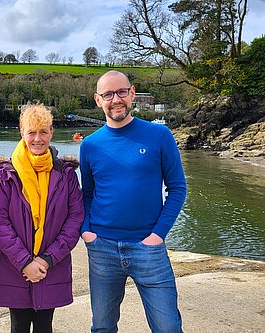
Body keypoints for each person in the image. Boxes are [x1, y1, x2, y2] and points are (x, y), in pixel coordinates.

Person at [80, 71, 187, 333]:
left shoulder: (159, 135)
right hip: (102, 248)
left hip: (149, 248)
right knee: (102, 327)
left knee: (168, 327)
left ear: (132, 93)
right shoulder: (90, 145)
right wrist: (86, 231)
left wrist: (158, 235)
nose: (115, 99)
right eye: (107, 94)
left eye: (121, 92)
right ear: (98, 100)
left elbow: (177, 188)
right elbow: (87, 195)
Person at [0, 103, 84, 333]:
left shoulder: (66, 174)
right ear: (22, 133)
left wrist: (46, 260)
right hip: (15, 267)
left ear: (51, 132)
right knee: (18, 327)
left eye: (43, 131)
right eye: (31, 132)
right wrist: (25, 262)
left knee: (44, 326)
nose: (37, 138)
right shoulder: (6, 175)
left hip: (51, 266)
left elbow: (75, 219)